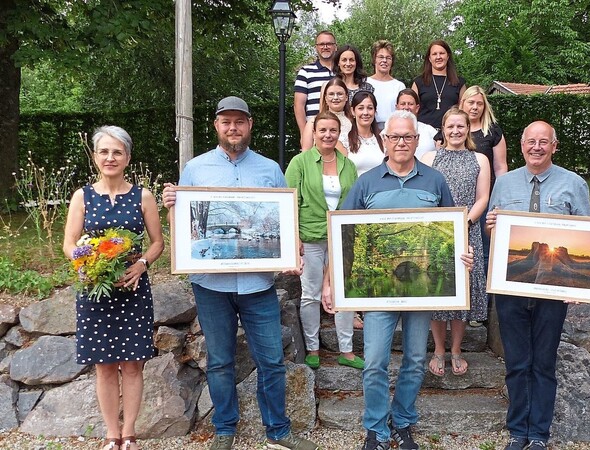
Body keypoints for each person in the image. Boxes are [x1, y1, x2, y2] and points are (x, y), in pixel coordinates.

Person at [162, 97, 319, 450]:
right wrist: (173, 206)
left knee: (272, 361)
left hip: (258, 285)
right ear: (216, 126)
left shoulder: (269, 170)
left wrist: (292, 251)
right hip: (210, 285)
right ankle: (224, 430)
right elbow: (185, 227)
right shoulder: (195, 169)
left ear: (249, 125)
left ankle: (278, 430)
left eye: (239, 122)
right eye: (225, 122)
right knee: (219, 362)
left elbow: (286, 220)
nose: (232, 128)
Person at [335, 110, 473, 450]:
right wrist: (332, 279)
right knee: (374, 361)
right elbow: (344, 236)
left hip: (422, 289)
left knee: (413, 359)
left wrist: (462, 255)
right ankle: (376, 429)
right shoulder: (366, 183)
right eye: (394, 137)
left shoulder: (434, 180)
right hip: (378, 291)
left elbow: (450, 230)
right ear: (385, 140)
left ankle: (403, 420)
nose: (401, 142)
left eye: (407, 137)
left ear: (416, 140)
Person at [485, 121, 590, 450]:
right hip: (511, 287)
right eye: (531, 141)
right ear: (521, 145)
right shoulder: (503, 183)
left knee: (544, 362)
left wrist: (578, 289)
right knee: (517, 362)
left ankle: (539, 436)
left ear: (554, 147)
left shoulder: (573, 183)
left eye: (544, 142)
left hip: (553, 288)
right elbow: (494, 232)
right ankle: (518, 431)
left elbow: (589, 234)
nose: (537, 147)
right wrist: (490, 226)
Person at [63, 126, 164, 450]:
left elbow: (158, 243)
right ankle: (111, 434)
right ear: (95, 156)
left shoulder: (142, 196)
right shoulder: (82, 196)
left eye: (117, 152)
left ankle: (130, 433)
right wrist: (88, 264)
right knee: (104, 366)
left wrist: (142, 264)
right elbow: (68, 243)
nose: (110, 157)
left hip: (133, 292)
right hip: (95, 292)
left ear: (128, 157)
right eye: (104, 151)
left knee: (133, 364)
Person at [285, 111, 363, 371]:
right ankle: (312, 348)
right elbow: (290, 203)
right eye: (323, 130)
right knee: (311, 293)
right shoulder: (300, 162)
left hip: (342, 236)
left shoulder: (348, 165)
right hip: (310, 236)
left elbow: (353, 204)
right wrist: (294, 239)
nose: (328, 135)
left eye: (333, 130)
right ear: (314, 133)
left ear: (338, 133)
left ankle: (347, 350)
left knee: (344, 293)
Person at [420, 107, 490, 377]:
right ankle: (439, 349)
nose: (456, 131)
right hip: (437, 232)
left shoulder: (480, 159)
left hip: (468, 230)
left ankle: (456, 349)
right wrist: (442, 226)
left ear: (468, 128)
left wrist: (464, 224)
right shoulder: (429, 158)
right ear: (443, 128)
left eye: (461, 126)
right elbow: (424, 195)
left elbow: (482, 197)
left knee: (463, 292)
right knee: (440, 290)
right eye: (451, 126)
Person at [460, 85, 508, 278]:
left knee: (486, 250)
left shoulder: (493, 132)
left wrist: (500, 198)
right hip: (459, 198)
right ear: (462, 103)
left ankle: (486, 303)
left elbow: (501, 167)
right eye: (471, 102)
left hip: (486, 199)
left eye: (479, 103)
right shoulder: (451, 129)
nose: (475, 107)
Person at [411, 40, 466, 131]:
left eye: (442, 53)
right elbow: (412, 111)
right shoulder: (418, 82)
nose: (438, 57)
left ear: (448, 56)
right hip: (423, 133)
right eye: (434, 54)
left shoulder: (459, 83)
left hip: (451, 133)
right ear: (429, 58)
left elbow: (463, 111)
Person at [294, 30, 337, 133]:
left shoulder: (343, 71)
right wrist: (304, 133)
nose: (325, 47)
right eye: (321, 44)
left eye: (329, 44)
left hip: (341, 129)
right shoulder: (305, 72)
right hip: (315, 131)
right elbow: (298, 105)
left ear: (335, 47)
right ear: (316, 47)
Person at [301, 78, 352, 153]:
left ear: (346, 97)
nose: (335, 98)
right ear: (325, 98)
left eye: (340, 94)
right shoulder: (313, 122)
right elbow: (305, 154)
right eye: (331, 94)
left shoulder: (354, 121)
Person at [366, 40, 405, 130]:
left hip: (394, 130)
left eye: (388, 58)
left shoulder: (399, 86)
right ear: (374, 59)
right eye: (381, 57)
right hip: (370, 129)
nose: (384, 60)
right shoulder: (365, 83)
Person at [347, 91, 386, 176]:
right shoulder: (344, 141)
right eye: (361, 108)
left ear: (375, 111)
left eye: (370, 108)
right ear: (353, 111)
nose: (365, 113)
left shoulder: (384, 139)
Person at [395, 89, 437, 159]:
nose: (406, 107)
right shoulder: (387, 131)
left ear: (417, 108)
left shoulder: (429, 131)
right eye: (403, 104)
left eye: (410, 104)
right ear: (397, 107)